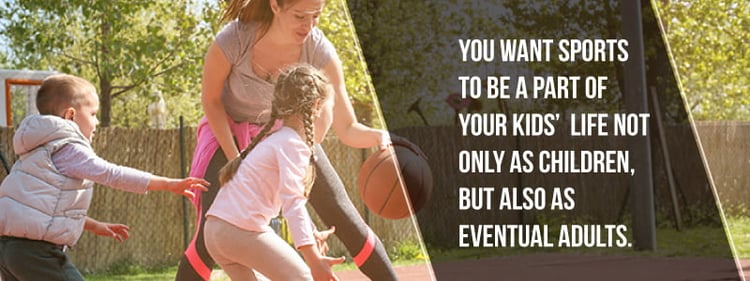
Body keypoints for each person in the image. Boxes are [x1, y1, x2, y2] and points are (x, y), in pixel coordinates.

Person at [176, 0, 415, 280]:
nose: (309, 25)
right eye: (300, 15)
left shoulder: (317, 48)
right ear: (275, 5)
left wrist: (382, 136)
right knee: (210, 235)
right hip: (228, 136)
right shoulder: (235, 38)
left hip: (286, 133)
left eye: (317, 15)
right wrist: (237, 159)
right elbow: (212, 100)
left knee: (346, 220)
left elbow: (347, 126)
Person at [0, 74, 210, 281]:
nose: (97, 121)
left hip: (8, 251)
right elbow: (111, 174)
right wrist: (168, 183)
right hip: (38, 253)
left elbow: (46, 211)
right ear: (70, 115)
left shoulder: (35, 152)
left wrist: (95, 225)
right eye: (92, 114)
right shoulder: (67, 147)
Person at [205, 64, 342, 281]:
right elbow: (292, 203)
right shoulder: (292, 144)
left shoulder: (277, 140)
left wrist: (311, 232)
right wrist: (314, 260)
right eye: (330, 109)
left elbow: (293, 203)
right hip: (240, 231)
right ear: (316, 106)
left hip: (215, 231)